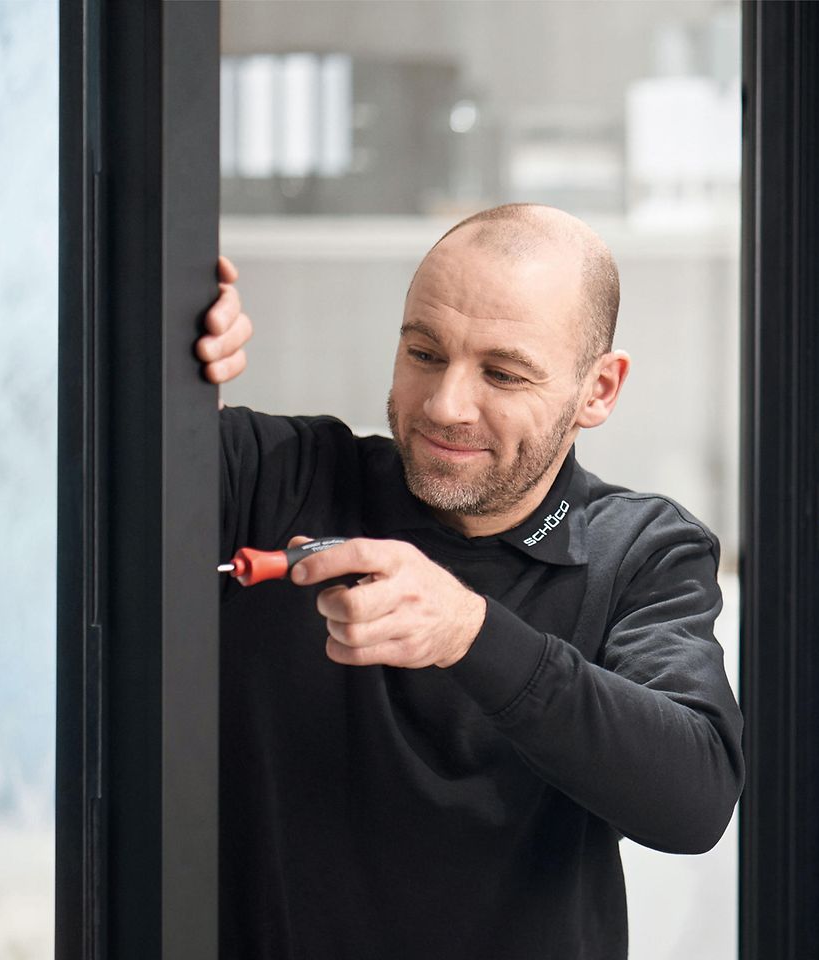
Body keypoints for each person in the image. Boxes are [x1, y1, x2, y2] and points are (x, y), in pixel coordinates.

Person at [196, 203, 744, 959]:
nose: (446, 405)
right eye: (424, 353)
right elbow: (75, 456)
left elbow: (694, 802)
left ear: (600, 390)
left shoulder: (643, 552)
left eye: (502, 372)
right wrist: (169, 349)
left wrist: (469, 633)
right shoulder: (275, 479)